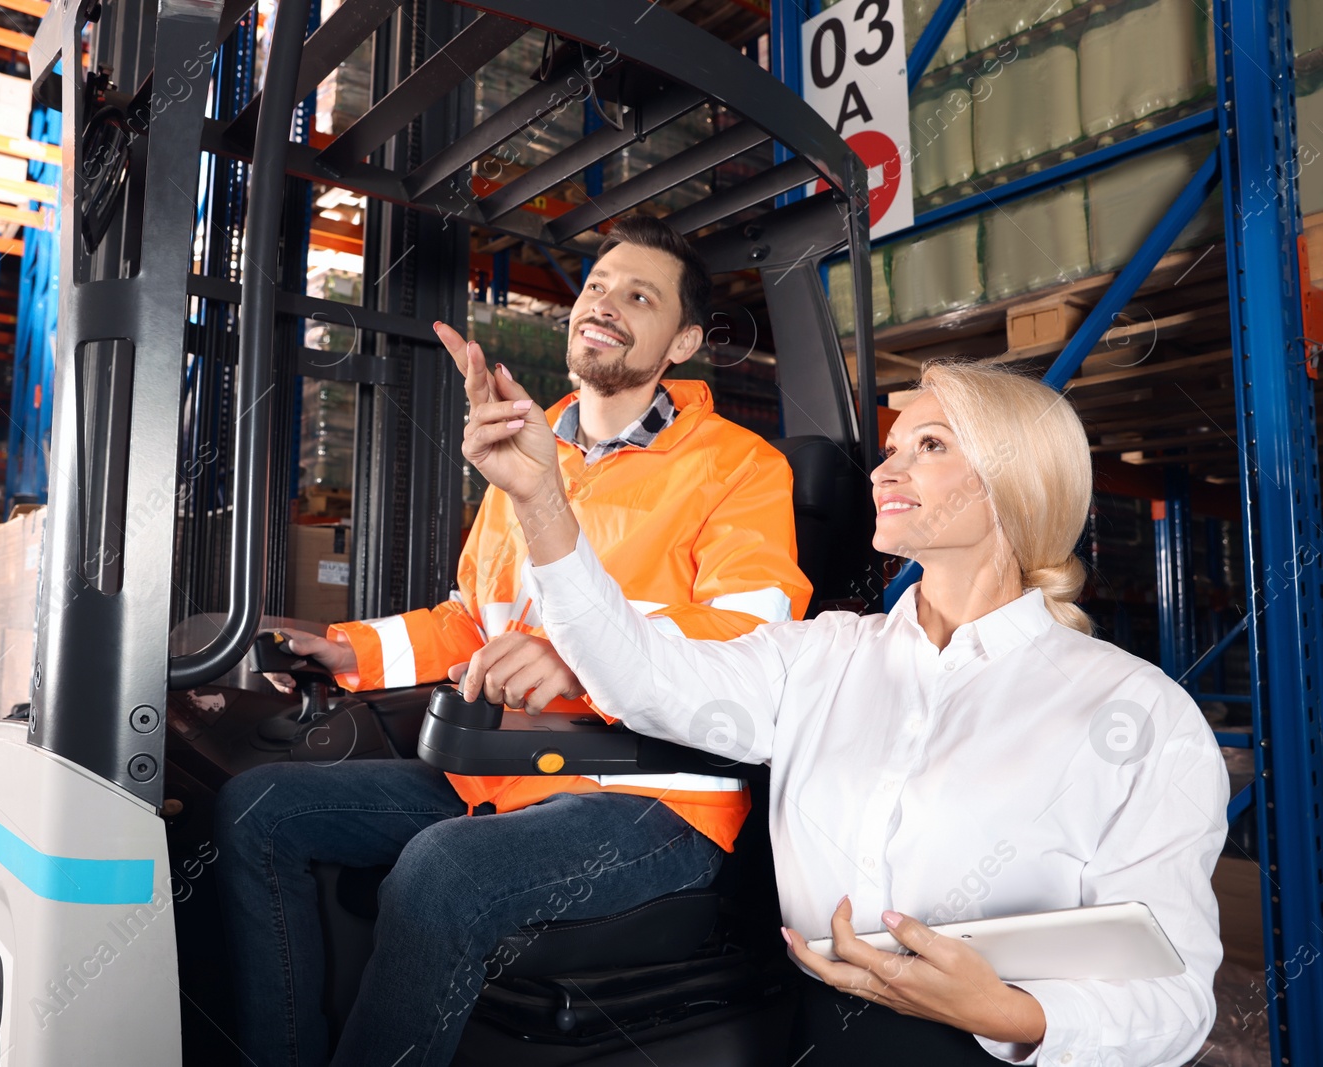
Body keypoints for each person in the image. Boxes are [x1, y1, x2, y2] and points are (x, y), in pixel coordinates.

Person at [458, 352, 1228, 1065]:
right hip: (818, 1036)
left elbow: (1177, 998)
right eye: (893, 446)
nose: (888, 466)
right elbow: (638, 673)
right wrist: (542, 498)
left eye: (930, 445)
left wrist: (1013, 1011)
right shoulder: (819, 656)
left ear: (1013, 480)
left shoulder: (1137, 712)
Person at [214, 215, 813, 1067]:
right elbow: (475, 618)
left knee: (443, 870)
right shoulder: (533, 450)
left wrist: (581, 657)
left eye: (639, 296)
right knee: (259, 808)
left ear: (680, 342)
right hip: (510, 773)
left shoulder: (738, 467)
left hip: (655, 797)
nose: (605, 303)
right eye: (597, 285)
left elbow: (749, 636)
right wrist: (351, 650)